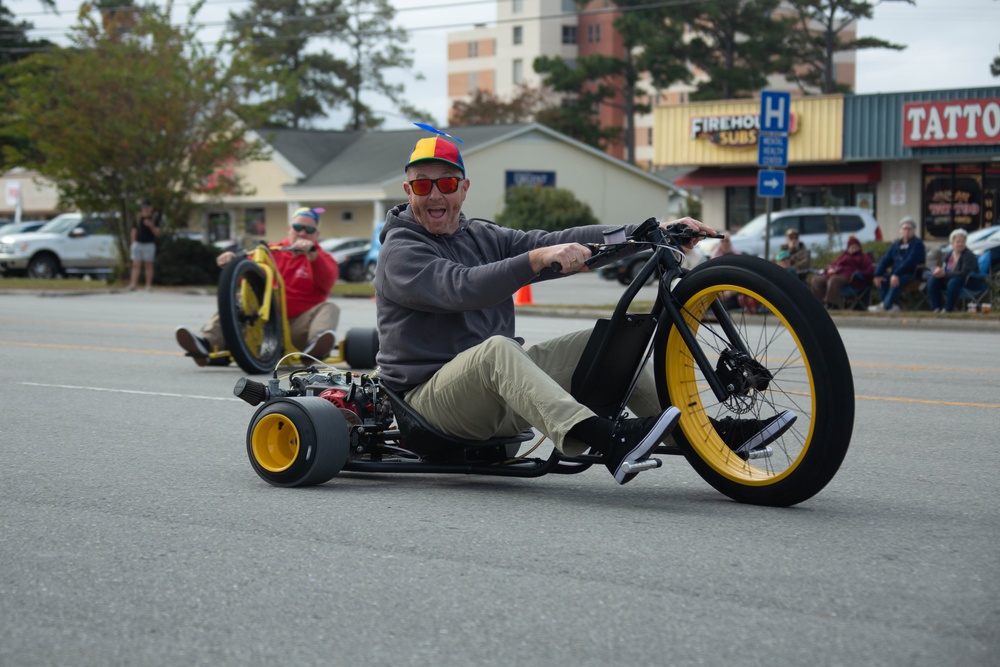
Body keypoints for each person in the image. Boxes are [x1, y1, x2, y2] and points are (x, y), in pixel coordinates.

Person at [374, 134, 796, 485]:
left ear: (463, 189)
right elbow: (457, 288)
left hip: (491, 396)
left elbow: (560, 238)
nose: (435, 194)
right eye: (423, 185)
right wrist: (534, 262)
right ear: (408, 191)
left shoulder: (483, 235)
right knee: (498, 350)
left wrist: (646, 233)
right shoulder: (400, 249)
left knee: (603, 341)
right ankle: (607, 438)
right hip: (426, 406)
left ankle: (707, 434)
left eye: (446, 184)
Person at [174, 208, 341, 366]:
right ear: (289, 229)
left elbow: (327, 282)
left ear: (316, 235)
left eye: (309, 230)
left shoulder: (323, 258)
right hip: (262, 324)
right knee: (238, 299)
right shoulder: (270, 251)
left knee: (330, 307)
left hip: (297, 328)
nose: (302, 233)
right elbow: (244, 275)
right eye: (298, 227)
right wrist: (231, 262)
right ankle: (205, 343)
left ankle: (316, 349)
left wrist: (313, 256)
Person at [870, 216, 926, 312]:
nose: (907, 231)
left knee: (897, 279)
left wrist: (896, 274)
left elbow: (910, 262)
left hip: (912, 274)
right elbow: (885, 260)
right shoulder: (895, 245)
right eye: (904, 228)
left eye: (909, 229)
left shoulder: (918, 244)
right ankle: (891, 306)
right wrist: (877, 274)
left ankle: (885, 306)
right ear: (900, 231)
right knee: (882, 279)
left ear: (913, 231)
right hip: (896, 274)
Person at [926, 228, 984, 313]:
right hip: (949, 279)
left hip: (968, 281)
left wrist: (945, 274)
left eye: (962, 242)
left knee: (954, 282)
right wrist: (936, 270)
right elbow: (940, 266)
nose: (960, 244)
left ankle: (948, 309)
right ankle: (936, 308)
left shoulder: (969, 256)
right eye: (958, 242)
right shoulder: (948, 254)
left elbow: (964, 273)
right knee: (932, 281)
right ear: (952, 243)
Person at [810, 235, 874, 310]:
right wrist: (829, 269)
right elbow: (832, 264)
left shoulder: (863, 257)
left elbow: (870, 270)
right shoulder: (843, 256)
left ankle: (831, 304)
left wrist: (859, 274)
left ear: (859, 247)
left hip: (850, 277)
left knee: (834, 280)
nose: (853, 249)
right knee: (816, 280)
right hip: (833, 274)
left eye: (856, 247)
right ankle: (819, 304)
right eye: (851, 247)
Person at [129, 199, 160, 291]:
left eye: (148, 207)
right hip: (138, 243)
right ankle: (133, 285)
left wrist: (151, 226)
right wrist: (133, 243)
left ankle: (148, 285)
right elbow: (134, 231)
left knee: (148, 265)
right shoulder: (138, 218)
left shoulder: (154, 219)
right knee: (136, 264)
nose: (146, 209)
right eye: (144, 207)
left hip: (149, 244)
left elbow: (157, 233)